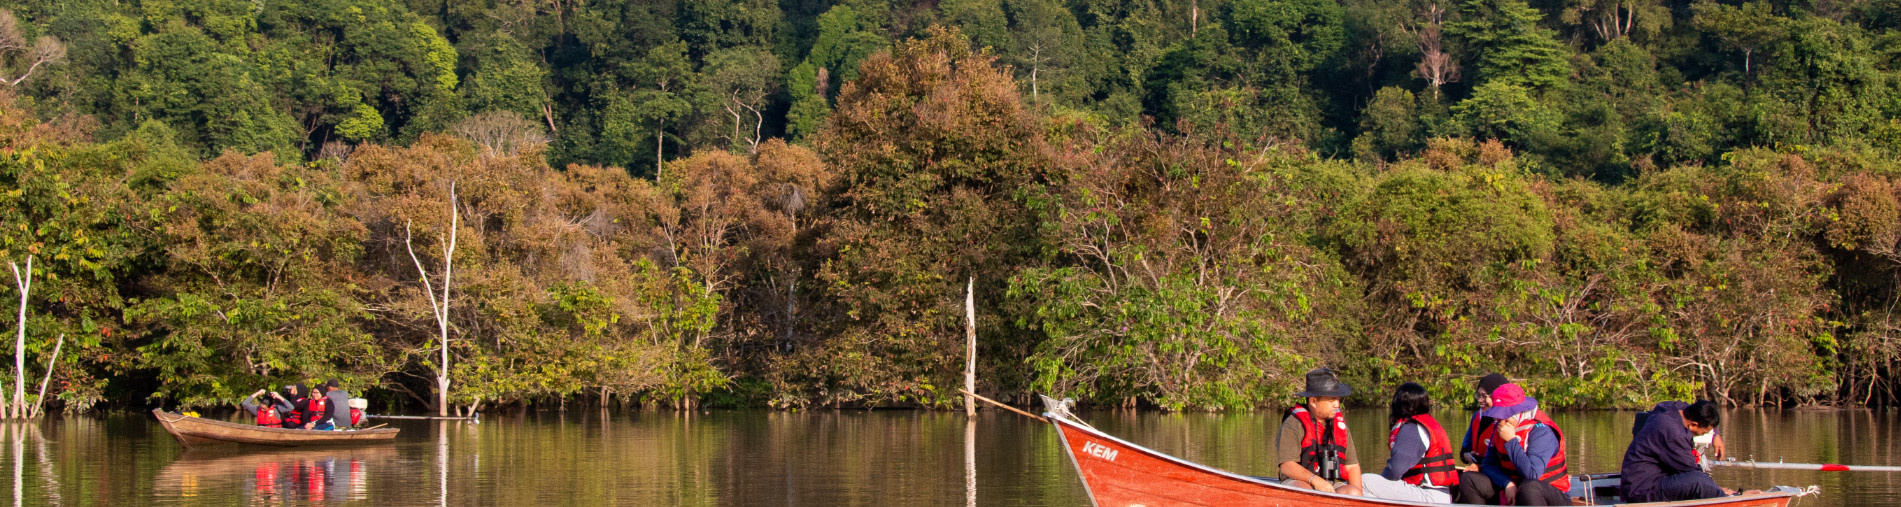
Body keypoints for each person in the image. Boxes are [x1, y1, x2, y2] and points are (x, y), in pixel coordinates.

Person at [1455, 383, 1571, 506]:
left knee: (1530, 488)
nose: (1497, 420)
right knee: (1469, 479)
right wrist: (1507, 483)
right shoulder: (1499, 426)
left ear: (1517, 413)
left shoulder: (1541, 431)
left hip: (1549, 494)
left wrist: (1511, 441)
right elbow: (1488, 464)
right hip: (1515, 487)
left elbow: (1531, 474)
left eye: (1502, 415)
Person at [1360, 383, 1458, 503]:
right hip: (1438, 494)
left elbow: (1395, 470)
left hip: (1428, 495)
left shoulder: (1412, 428)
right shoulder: (1428, 424)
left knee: (1363, 482)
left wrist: (1381, 482)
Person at [1621, 400, 1735, 502]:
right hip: (1642, 490)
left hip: (1641, 481)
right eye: (1703, 433)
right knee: (1700, 481)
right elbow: (1692, 471)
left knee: (1703, 481)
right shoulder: (1673, 433)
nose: (1703, 435)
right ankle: (1728, 501)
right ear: (1694, 425)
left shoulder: (1668, 408)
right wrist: (1717, 490)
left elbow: (1698, 408)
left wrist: (1716, 434)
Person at [1276, 368, 1364, 496]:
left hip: (1332, 484)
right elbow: (1287, 465)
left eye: (1338, 400)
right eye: (1331, 400)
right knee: (1304, 490)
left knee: (1353, 492)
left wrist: (1359, 498)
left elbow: (1352, 466)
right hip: (1298, 482)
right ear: (1313, 401)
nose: (1337, 405)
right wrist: (1315, 480)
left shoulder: (1340, 426)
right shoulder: (1293, 424)